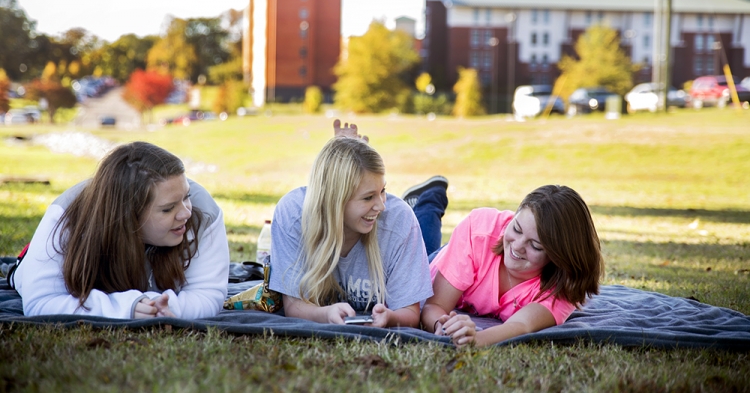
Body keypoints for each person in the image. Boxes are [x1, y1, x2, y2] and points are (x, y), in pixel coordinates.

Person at [13, 141, 230, 319]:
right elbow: (40, 302)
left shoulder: (205, 213)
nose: (186, 213)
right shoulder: (66, 217)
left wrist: (161, 309)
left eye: (186, 197)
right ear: (128, 216)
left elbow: (208, 294)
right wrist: (125, 308)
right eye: (167, 209)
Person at [269, 132, 433, 328]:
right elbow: (294, 306)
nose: (381, 206)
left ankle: (429, 202)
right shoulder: (293, 215)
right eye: (368, 197)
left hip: (407, 237)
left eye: (383, 191)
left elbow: (410, 312)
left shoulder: (399, 221)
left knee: (432, 250)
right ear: (335, 200)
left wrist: (391, 318)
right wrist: (326, 314)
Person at [419, 184, 605, 347]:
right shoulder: (478, 232)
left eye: (535, 245)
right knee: (421, 243)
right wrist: (442, 327)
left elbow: (520, 326)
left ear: (558, 257)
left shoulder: (564, 287)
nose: (517, 246)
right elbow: (433, 306)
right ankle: (429, 198)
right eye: (516, 228)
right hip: (439, 261)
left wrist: (473, 338)